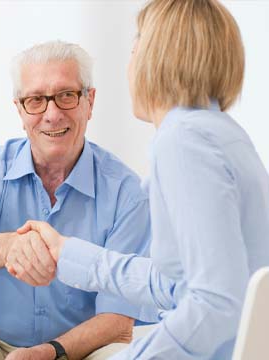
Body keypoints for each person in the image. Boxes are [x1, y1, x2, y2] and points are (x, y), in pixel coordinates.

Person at [18, 1, 269, 359]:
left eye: (135, 48)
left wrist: (134, 357)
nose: (129, 64)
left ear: (157, 57)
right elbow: (174, 285)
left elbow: (215, 302)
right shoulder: (222, 134)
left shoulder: (184, 141)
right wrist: (67, 252)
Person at [0, 41, 156, 360]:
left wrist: (50, 352)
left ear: (89, 101)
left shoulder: (125, 191)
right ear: (20, 110)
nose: (52, 115)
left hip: (75, 348)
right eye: (36, 100)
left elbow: (117, 319)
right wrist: (8, 247)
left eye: (66, 95)